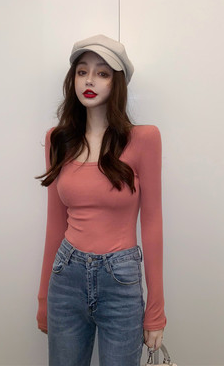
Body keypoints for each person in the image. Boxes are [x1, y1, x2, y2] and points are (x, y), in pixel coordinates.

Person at [35, 34, 166, 366]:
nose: (89, 80)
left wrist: (156, 309)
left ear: (116, 82)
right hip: (65, 277)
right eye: (82, 71)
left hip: (120, 279)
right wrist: (43, 299)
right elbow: (55, 222)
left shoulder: (143, 139)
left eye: (102, 73)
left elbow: (152, 222)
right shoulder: (58, 140)